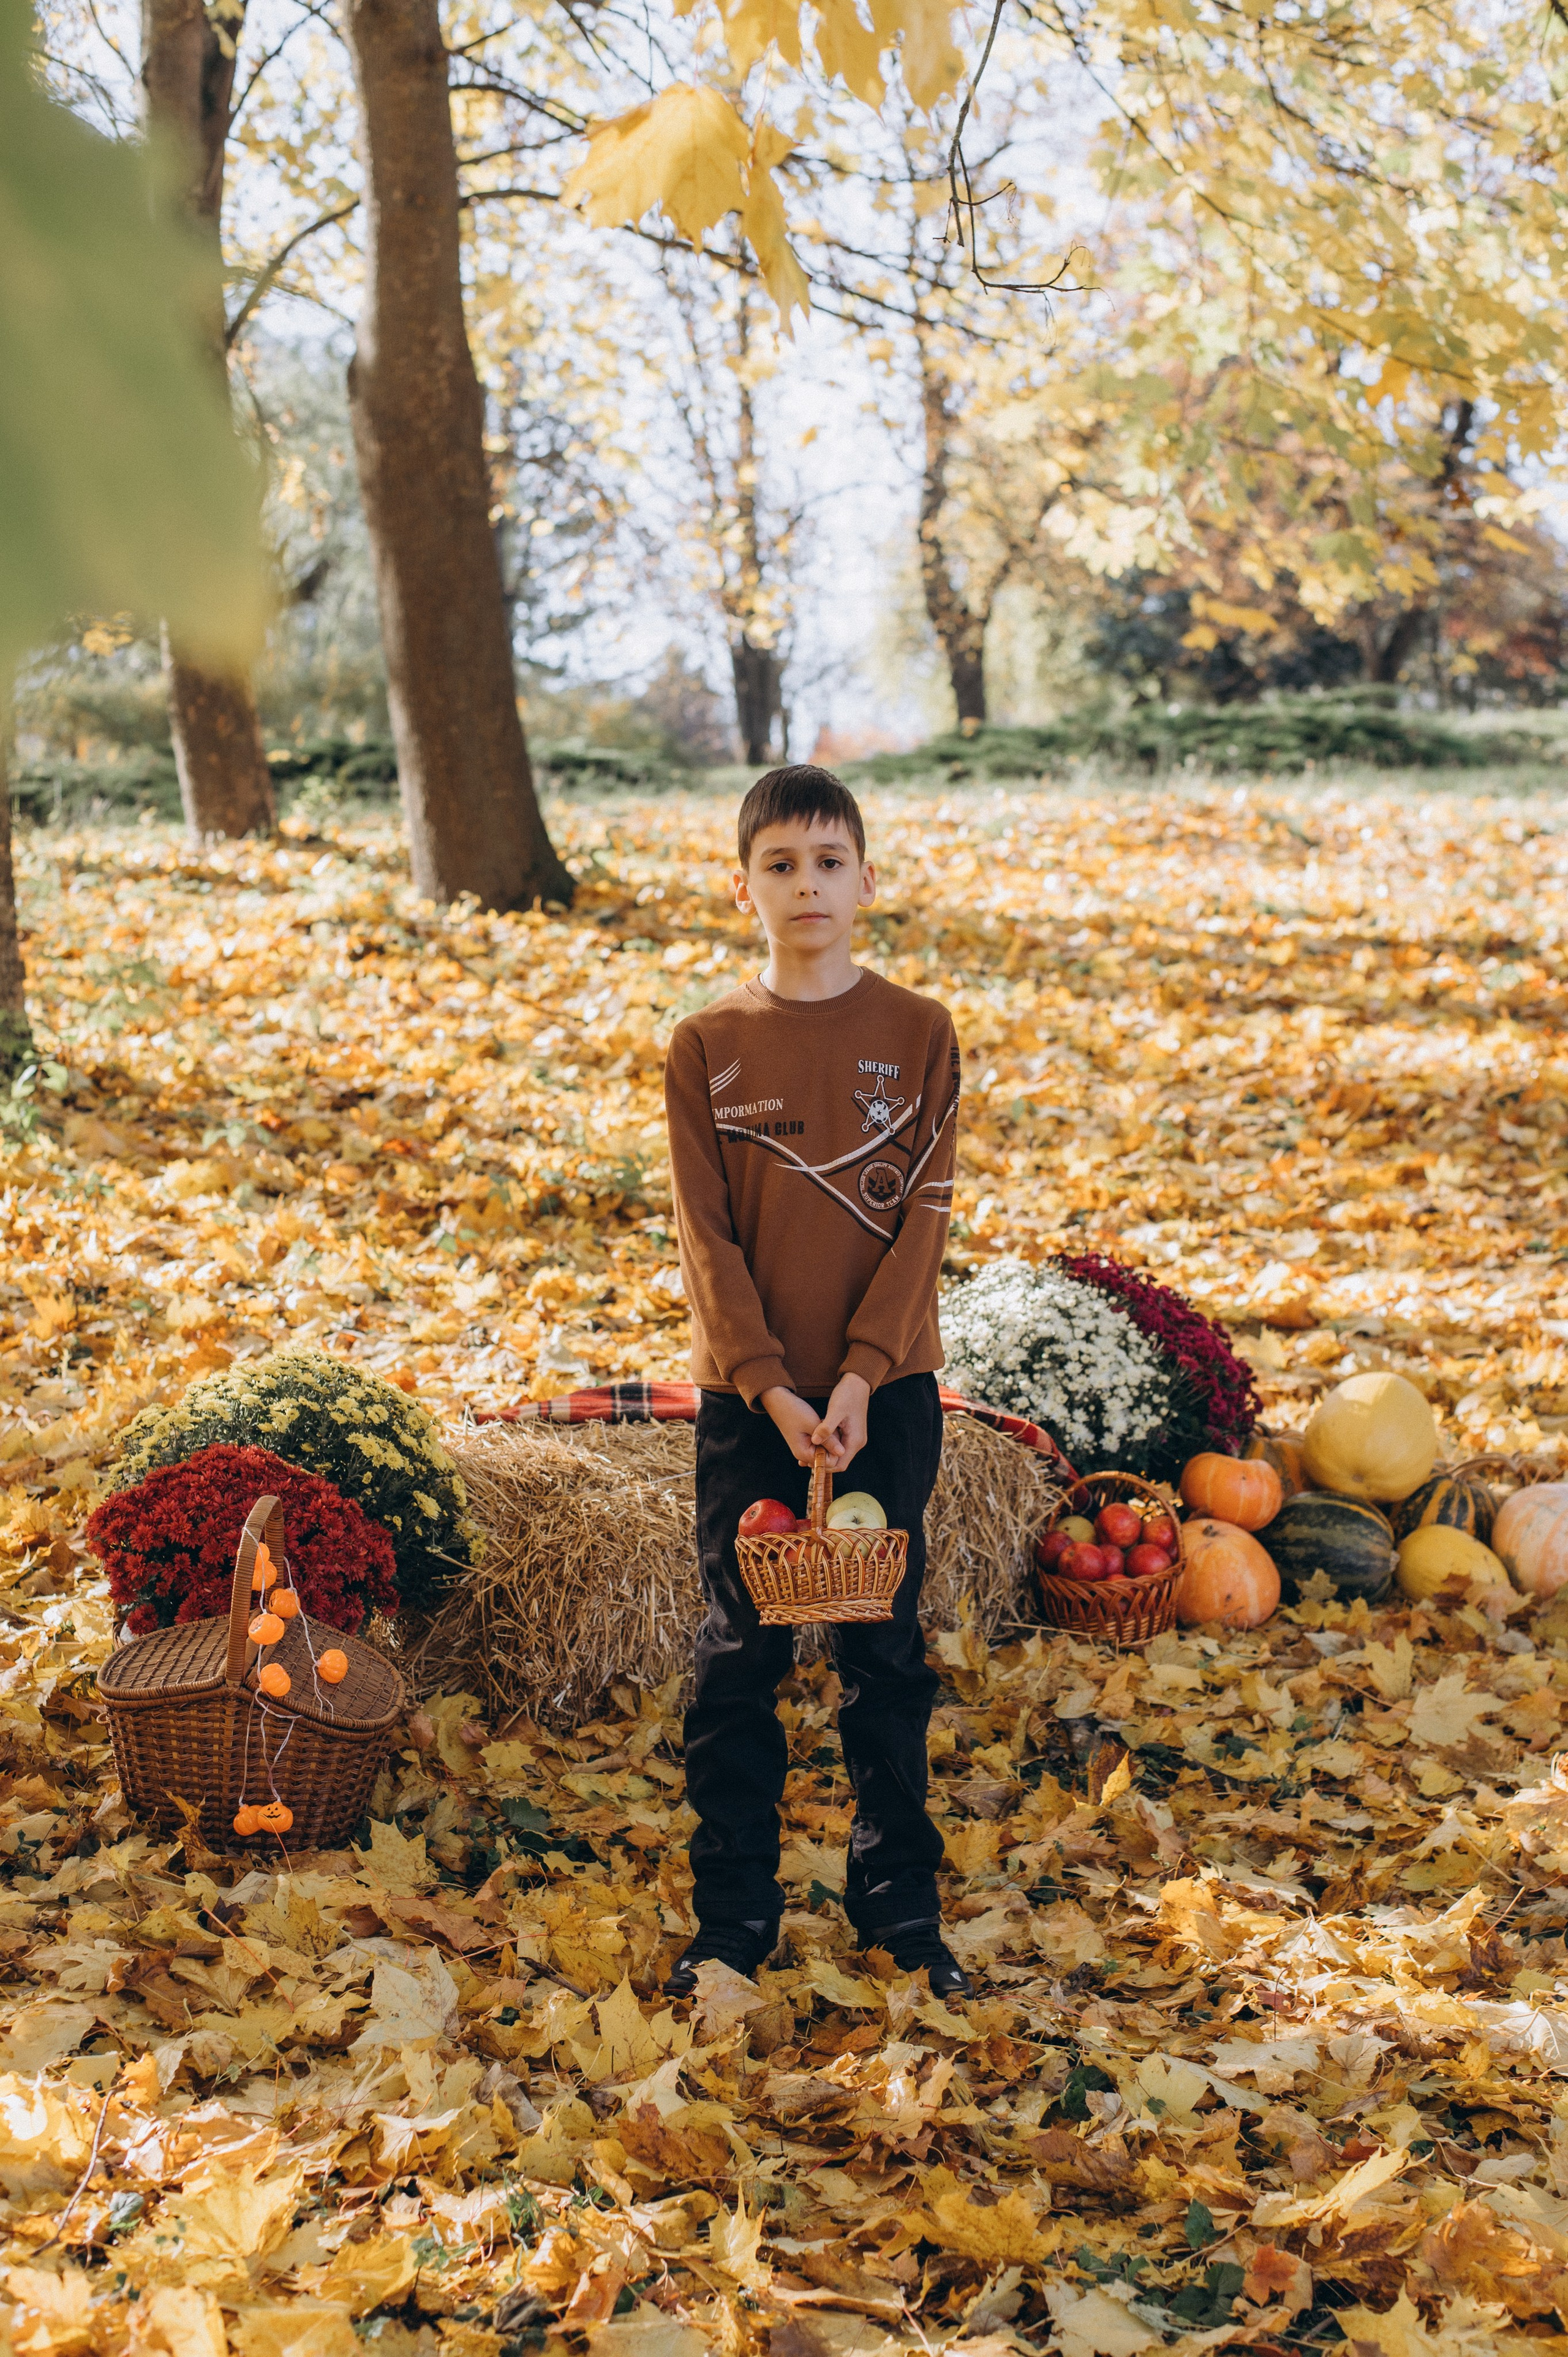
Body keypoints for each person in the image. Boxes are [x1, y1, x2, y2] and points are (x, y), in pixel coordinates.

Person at [661, 762, 969, 2001]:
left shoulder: (920, 1033)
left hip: (884, 1399)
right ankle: (731, 1918)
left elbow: (923, 1229)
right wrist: (770, 1384)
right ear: (742, 888)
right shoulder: (706, 1046)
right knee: (737, 1659)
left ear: (866, 881)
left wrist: (856, 1373)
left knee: (881, 1655)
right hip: (750, 1406)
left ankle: (897, 1909)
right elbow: (703, 1239)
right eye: (779, 864)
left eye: (828, 861)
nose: (807, 885)